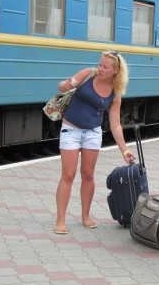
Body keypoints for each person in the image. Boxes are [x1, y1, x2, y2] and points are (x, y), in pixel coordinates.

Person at [53, 50, 134, 234]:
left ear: (115, 70)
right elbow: (62, 87)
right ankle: (60, 219)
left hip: (92, 134)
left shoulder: (115, 93)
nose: (100, 69)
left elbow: (115, 124)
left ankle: (85, 216)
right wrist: (65, 84)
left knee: (88, 175)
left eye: (105, 67)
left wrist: (124, 151)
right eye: (100, 64)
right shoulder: (87, 74)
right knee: (68, 174)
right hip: (70, 130)